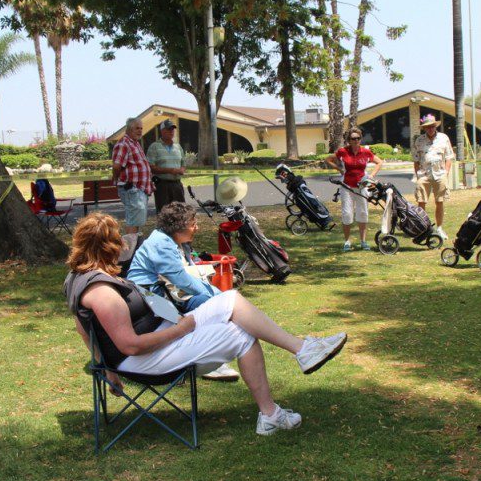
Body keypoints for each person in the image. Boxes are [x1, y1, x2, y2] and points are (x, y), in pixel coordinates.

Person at [64, 213, 348, 435]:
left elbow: (82, 328)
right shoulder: (102, 292)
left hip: (154, 342)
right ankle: (272, 411)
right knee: (240, 334)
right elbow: (131, 345)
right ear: (110, 247)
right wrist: (180, 329)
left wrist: (105, 367)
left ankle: (302, 351)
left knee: (230, 300)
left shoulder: (78, 278)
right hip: (145, 360)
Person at [126, 201, 240, 382]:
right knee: (209, 305)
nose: (197, 228)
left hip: (162, 295)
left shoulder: (171, 240)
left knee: (209, 303)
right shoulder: (161, 243)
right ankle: (207, 360)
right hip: (149, 300)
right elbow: (181, 279)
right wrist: (217, 295)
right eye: (193, 224)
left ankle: (211, 358)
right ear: (178, 227)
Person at [325, 128, 383, 251]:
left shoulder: (365, 152)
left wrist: (371, 176)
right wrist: (340, 170)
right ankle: (347, 241)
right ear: (349, 140)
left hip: (362, 186)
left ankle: (363, 241)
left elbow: (379, 162)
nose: (356, 140)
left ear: (360, 139)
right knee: (347, 214)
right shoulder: (343, 151)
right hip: (347, 186)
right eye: (353, 138)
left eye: (358, 138)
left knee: (363, 213)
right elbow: (328, 160)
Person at [411, 114, 454, 240]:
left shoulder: (444, 138)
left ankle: (439, 228)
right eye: (427, 127)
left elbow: (449, 157)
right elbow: (416, 160)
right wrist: (418, 175)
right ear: (424, 128)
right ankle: (423, 228)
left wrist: (446, 172)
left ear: (435, 126)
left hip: (440, 174)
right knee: (421, 201)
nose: (430, 129)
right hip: (424, 174)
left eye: (432, 126)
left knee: (439, 201)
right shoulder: (419, 140)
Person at [111, 117, 155, 235]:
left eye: (141, 128)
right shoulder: (124, 144)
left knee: (137, 221)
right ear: (129, 129)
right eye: (137, 128)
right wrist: (116, 178)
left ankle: (133, 243)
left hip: (139, 189)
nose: (140, 131)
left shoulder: (135, 143)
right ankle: (130, 245)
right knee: (133, 222)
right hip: (132, 189)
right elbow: (116, 166)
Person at [146, 119, 186, 213]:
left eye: (172, 129)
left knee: (181, 213)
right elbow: (150, 167)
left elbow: (183, 163)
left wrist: (182, 169)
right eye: (168, 129)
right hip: (162, 185)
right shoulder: (154, 146)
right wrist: (170, 170)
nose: (171, 131)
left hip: (177, 184)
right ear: (162, 131)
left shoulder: (178, 146)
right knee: (164, 213)